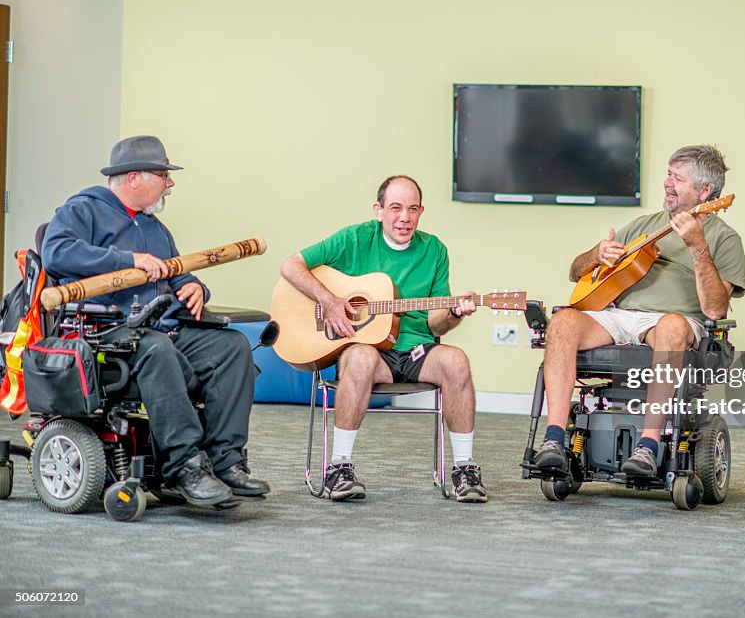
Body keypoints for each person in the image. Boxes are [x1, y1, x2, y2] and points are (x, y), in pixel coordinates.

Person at [41, 135, 270, 507]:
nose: (171, 182)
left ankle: (225, 462)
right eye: (164, 174)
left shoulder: (156, 228)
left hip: (159, 328)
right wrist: (127, 259)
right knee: (156, 349)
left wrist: (194, 287)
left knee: (232, 347)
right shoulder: (82, 210)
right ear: (134, 178)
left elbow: (177, 274)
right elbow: (57, 252)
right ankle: (185, 467)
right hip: (107, 333)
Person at [533, 145, 745, 476]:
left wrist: (697, 247)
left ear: (706, 192)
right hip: (619, 316)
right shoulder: (645, 225)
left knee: (673, 326)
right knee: (561, 322)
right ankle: (553, 439)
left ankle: (647, 446)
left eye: (678, 178)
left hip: (676, 319)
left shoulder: (724, 238)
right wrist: (596, 254)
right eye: (668, 173)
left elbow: (716, 309)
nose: (667, 182)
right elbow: (575, 272)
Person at [279, 175, 487, 503]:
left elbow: (437, 324)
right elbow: (291, 267)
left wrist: (455, 313)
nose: (404, 217)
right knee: (360, 357)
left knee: (456, 359)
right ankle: (339, 469)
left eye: (413, 209)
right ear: (379, 210)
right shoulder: (355, 239)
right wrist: (330, 301)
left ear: (421, 212)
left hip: (417, 350)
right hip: (369, 352)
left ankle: (464, 469)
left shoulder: (434, 250)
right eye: (395, 208)